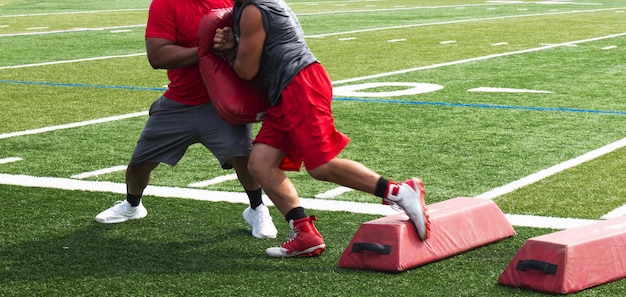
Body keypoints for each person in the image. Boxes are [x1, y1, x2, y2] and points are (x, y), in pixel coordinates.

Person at [212, 0, 431, 257]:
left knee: (320, 165)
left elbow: (247, 71)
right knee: (260, 163)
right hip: (286, 90)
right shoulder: (249, 7)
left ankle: (399, 192)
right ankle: (304, 234)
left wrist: (228, 52)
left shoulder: (252, 10)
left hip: (299, 85)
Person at [94, 0, 278, 240]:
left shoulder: (234, 2)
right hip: (179, 102)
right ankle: (132, 205)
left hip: (222, 101)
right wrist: (206, 49)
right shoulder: (166, 3)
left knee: (244, 158)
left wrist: (232, 44)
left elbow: (258, 42)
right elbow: (158, 55)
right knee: (140, 163)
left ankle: (256, 209)